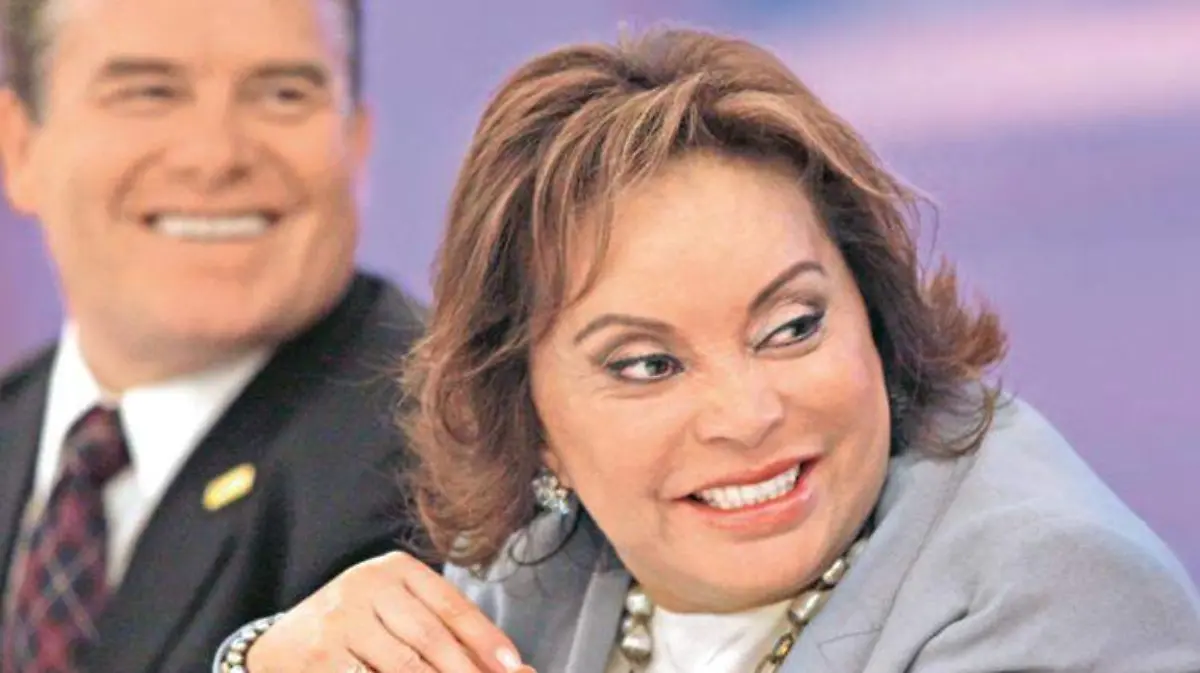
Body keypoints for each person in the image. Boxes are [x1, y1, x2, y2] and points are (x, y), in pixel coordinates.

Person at [218, 28, 1200, 673]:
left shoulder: (1059, 594)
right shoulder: (554, 557)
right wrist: (271, 658)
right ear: (535, 420)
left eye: (792, 326)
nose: (748, 413)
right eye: (648, 365)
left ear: (873, 313)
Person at [0, 1, 431, 671]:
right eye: (149, 93)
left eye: (283, 94)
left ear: (357, 141)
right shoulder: (14, 421)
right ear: (20, 146)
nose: (215, 156)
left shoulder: (455, 457)